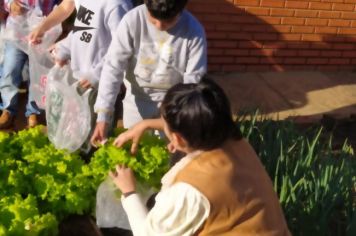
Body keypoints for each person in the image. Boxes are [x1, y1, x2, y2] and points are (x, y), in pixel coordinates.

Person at [110, 77, 291, 235]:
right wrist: (146, 124)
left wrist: (129, 192)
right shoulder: (236, 143)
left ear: (178, 139)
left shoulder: (190, 191)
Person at [90, 0, 207, 147]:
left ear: (181, 11)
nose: (159, 26)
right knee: (134, 150)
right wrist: (103, 116)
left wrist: (179, 124)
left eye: (168, 21)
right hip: (137, 101)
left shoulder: (194, 31)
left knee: (171, 157)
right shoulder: (132, 21)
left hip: (174, 104)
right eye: (153, 19)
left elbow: (193, 82)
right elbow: (113, 68)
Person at [30, 0, 133, 90]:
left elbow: (123, 47)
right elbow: (81, 28)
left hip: (103, 83)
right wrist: (64, 48)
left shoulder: (117, 5)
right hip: (81, 77)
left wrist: (97, 74)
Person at [0, 0, 60, 129]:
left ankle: (33, 112)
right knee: (10, 70)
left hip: (42, 35)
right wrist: (10, 5)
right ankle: (8, 110)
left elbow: (63, 5)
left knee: (36, 74)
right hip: (16, 33)